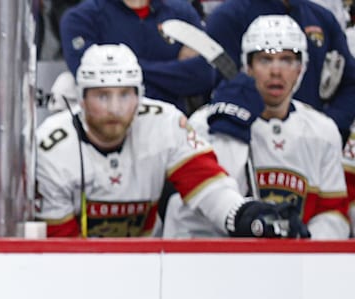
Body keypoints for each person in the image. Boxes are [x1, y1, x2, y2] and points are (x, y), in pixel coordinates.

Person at [34, 43, 307, 238]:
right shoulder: (53, 145)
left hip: (148, 268)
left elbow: (207, 186)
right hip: (79, 272)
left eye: (125, 95)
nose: (115, 109)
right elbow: (62, 243)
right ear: (81, 99)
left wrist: (244, 215)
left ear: (140, 96)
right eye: (102, 96)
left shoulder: (163, 123)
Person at [165, 15, 350, 238]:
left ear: (301, 68)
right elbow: (210, 201)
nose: (276, 71)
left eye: (287, 59)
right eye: (265, 59)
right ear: (249, 67)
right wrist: (230, 130)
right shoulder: (207, 122)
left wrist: (303, 244)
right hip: (219, 259)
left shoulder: (322, 130)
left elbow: (333, 213)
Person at [206, 0, 355, 140]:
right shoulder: (228, 17)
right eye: (265, 59)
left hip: (310, 144)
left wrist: (327, 125)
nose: (276, 71)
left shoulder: (321, 17)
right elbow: (218, 84)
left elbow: (350, 81)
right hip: (248, 141)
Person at [60, 0, 217, 115]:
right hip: (107, 123)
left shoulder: (182, 13)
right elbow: (86, 74)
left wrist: (118, 70)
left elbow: (204, 75)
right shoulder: (82, 18)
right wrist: (174, 69)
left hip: (170, 127)